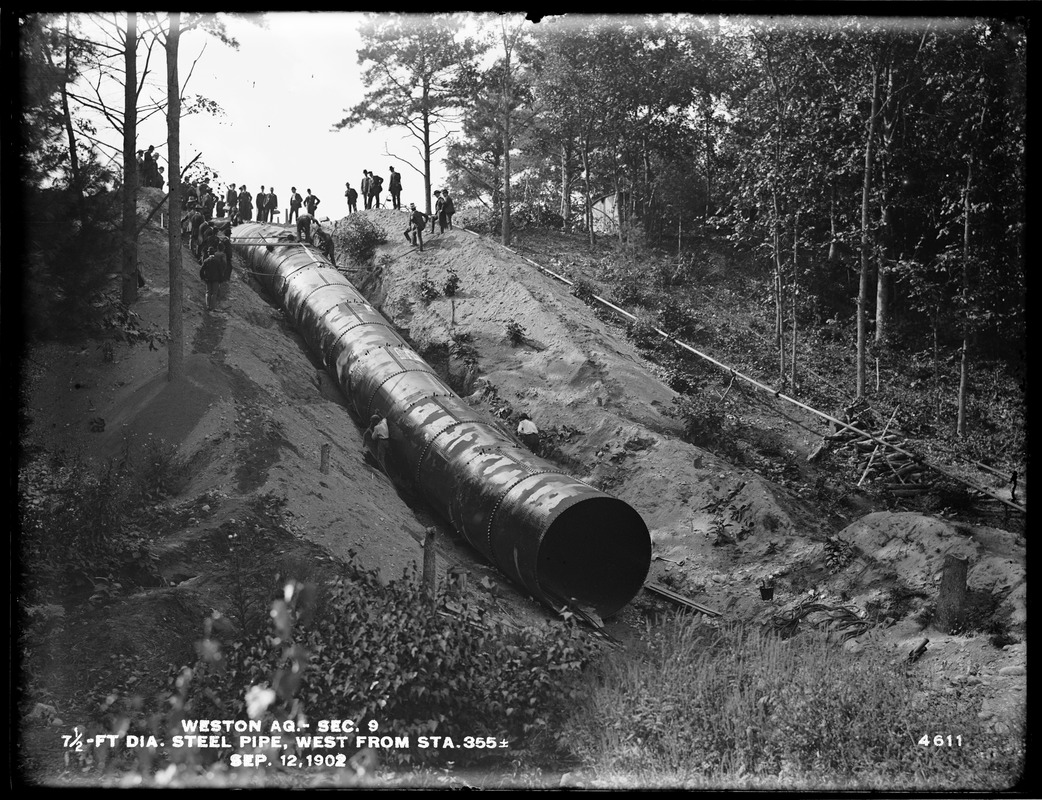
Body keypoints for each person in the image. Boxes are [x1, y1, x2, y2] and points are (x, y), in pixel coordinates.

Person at [199, 248, 231, 312]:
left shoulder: (206, 261)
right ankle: (212, 307)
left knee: (208, 292)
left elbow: (201, 270)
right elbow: (220, 271)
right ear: (214, 253)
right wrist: (221, 279)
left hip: (208, 279)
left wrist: (203, 277)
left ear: (208, 253)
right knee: (214, 293)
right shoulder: (217, 261)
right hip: (216, 280)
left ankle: (208, 306)